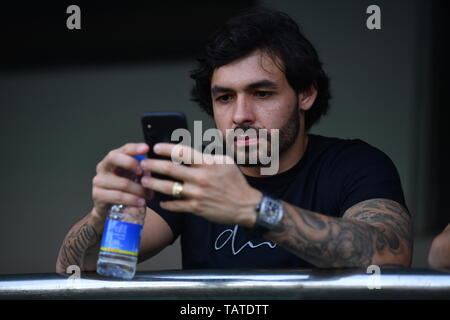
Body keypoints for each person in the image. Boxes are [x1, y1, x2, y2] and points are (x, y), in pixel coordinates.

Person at [56, 7, 412, 273]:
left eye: (261, 93)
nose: (240, 115)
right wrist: (104, 213)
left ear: (305, 94)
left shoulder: (354, 164)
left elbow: (390, 254)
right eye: (225, 97)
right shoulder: (192, 175)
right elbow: (77, 266)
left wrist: (253, 209)